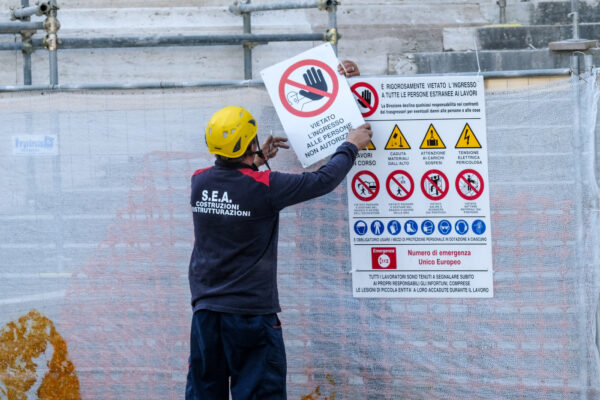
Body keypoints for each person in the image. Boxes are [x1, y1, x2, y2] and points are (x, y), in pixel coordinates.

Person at [186, 104, 372, 399]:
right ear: (251, 142)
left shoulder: (200, 182)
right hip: (251, 317)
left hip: (206, 315)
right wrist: (350, 145)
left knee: (205, 393)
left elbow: (235, 185)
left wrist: (256, 159)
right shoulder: (266, 187)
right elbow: (323, 180)